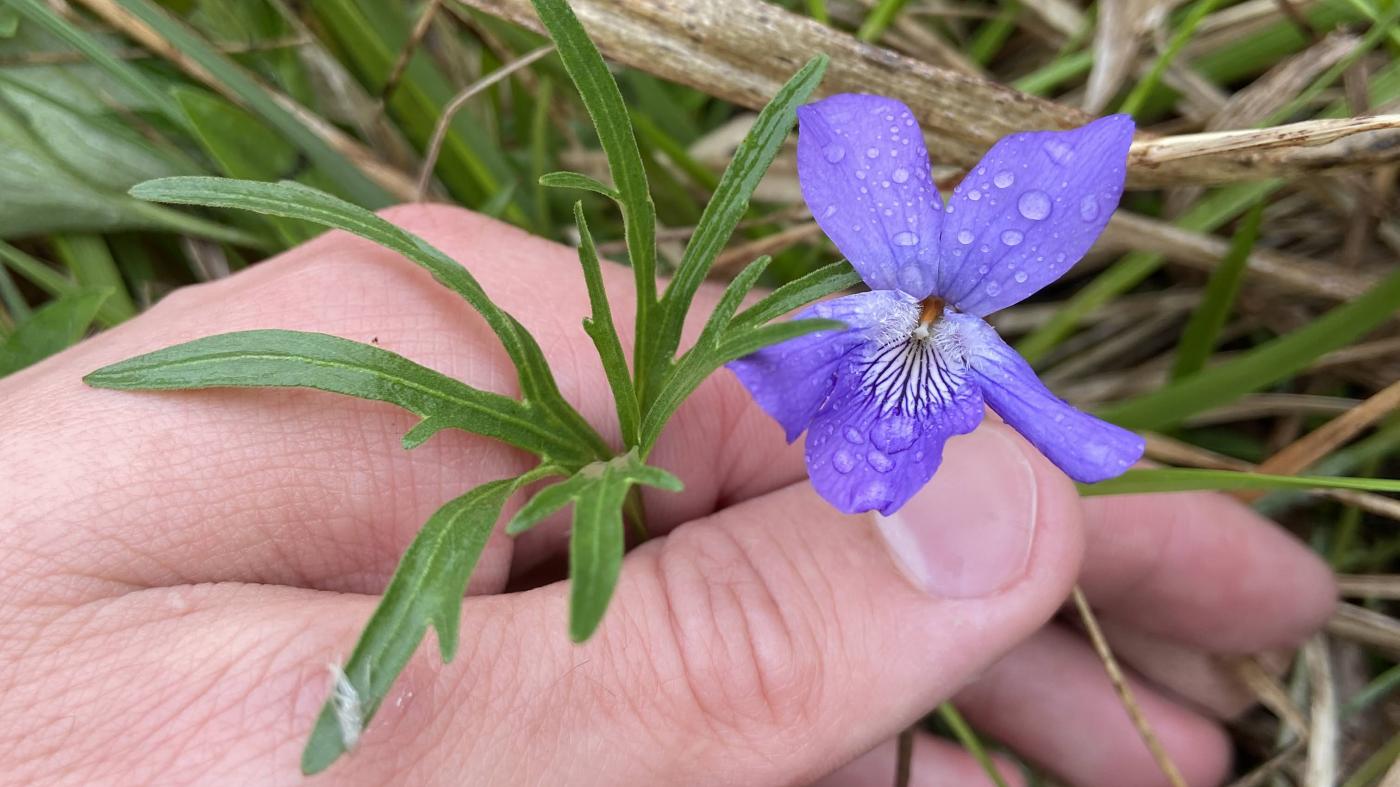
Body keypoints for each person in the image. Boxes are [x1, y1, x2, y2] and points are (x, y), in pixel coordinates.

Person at [0, 205, 1337, 786]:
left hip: (896, 341)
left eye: (938, 321)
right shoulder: (890, 309)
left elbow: (1062, 428)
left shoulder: (931, 319)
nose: (926, 324)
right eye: (915, 316)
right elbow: (1049, 436)